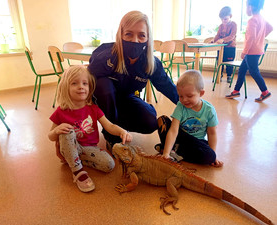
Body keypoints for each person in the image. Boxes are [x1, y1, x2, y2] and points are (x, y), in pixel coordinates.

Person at [87, 11, 178, 150]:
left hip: (126, 98)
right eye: (129, 34)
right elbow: (84, 83)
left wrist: (195, 105)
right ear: (120, 35)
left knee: (150, 121)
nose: (135, 40)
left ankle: (119, 125)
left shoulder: (151, 63)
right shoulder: (105, 57)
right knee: (104, 86)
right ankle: (111, 136)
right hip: (103, 101)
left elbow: (167, 86)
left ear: (148, 38)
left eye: (141, 35)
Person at [48, 65, 132, 193]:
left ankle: (75, 159)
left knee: (109, 165)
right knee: (67, 131)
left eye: (85, 83)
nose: (81, 86)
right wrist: (56, 130)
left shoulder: (93, 109)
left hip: (89, 148)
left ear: (89, 87)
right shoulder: (61, 111)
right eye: (74, 83)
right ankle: (77, 170)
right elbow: (50, 136)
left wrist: (122, 131)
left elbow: (109, 126)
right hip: (69, 145)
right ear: (66, 88)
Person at [155, 70, 223, 167]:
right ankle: (169, 150)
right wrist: (166, 153)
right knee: (163, 120)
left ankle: (175, 152)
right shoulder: (180, 106)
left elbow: (212, 133)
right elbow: (173, 131)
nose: (184, 100)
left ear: (201, 93)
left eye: (189, 96)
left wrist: (214, 156)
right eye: (180, 96)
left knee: (210, 156)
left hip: (196, 142)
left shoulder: (209, 110)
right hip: (180, 138)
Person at [226, 0, 273, 102]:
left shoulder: (252, 20)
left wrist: (245, 51)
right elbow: (270, 28)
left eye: (247, 6)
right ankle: (236, 91)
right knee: (242, 70)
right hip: (256, 50)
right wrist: (260, 38)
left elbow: (251, 38)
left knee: (254, 71)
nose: (246, 9)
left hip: (252, 52)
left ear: (251, 7)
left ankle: (265, 91)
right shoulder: (261, 18)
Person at [213, 6, 237, 83]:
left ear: (230, 16)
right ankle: (220, 74)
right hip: (221, 48)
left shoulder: (233, 24)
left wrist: (223, 40)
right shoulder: (221, 26)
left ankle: (229, 76)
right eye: (222, 19)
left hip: (230, 47)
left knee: (229, 62)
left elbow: (232, 36)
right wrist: (214, 40)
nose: (223, 21)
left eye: (225, 19)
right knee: (220, 61)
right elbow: (218, 35)